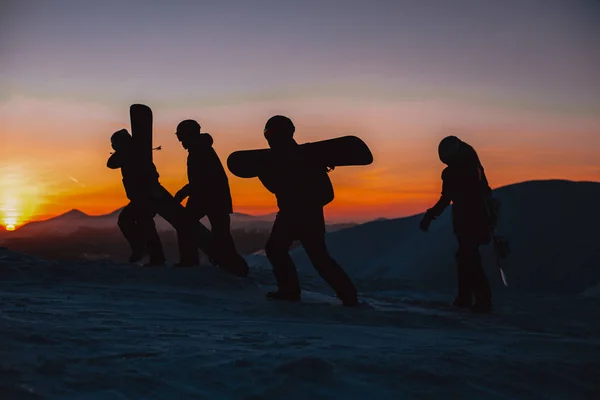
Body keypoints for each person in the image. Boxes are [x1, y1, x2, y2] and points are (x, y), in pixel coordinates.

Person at [257, 115, 358, 306]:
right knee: (311, 256)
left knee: (294, 253)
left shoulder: (299, 157)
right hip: (300, 215)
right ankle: (346, 295)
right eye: (266, 133)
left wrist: (264, 173)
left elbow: (278, 186)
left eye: (269, 133)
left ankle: (292, 291)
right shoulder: (306, 156)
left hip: (297, 215)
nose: (268, 138)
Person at [419, 136, 494, 313]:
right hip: (473, 221)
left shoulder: (458, 172)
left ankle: (478, 300)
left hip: (469, 222)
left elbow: (447, 199)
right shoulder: (473, 168)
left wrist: (430, 216)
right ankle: (468, 297)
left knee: (468, 258)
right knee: (466, 257)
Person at [107, 128, 199, 267]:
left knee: (127, 220)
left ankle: (143, 251)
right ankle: (155, 257)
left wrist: (123, 149)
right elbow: (112, 163)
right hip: (145, 195)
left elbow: (112, 163)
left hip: (144, 196)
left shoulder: (130, 153)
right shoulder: (134, 152)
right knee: (146, 224)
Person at [174, 120, 249, 277]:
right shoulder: (201, 149)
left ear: (189, 135)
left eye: (181, 137)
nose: (180, 141)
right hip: (213, 197)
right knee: (220, 232)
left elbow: (200, 180)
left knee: (185, 224)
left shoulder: (199, 151)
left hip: (208, 197)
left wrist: (183, 193)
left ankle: (192, 261)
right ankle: (234, 266)